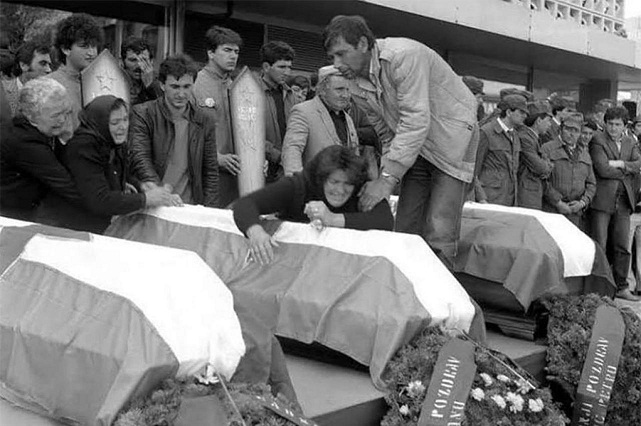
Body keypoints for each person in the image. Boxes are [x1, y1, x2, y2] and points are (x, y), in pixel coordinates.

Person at [323, 15, 478, 268]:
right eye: (332, 57)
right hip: (414, 146)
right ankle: (405, 286)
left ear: (363, 44)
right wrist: (386, 176)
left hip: (452, 143)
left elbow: (415, 120)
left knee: (439, 229)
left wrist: (386, 180)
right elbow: (385, 132)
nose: (337, 64)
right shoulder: (354, 80)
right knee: (406, 227)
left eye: (341, 54)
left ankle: (441, 290)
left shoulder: (404, 56)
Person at [233, 145, 394, 264]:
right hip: (295, 266)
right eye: (334, 182)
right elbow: (245, 204)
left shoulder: (362, 190)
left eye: (347, 184)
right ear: (321, 178)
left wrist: (333, 219)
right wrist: (255, 232)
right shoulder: (298, 186)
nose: (340, 190)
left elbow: (385, 221)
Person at [49, 95, 182, 233]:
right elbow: (99, 199)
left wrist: (142, 186)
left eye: (125, 119)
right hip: (72, 230)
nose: (123, 127)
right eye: (115, 122)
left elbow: (116, 173)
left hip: (100, 226)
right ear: (100, 123)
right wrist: (146, 199)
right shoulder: (83, 148)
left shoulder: (113, 142)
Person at [130, 54, 220, 208]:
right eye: (175, 87)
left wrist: (210, 211)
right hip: (153, 203)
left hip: (189, 207)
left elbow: (210, 171)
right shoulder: (143, 113)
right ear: (162, 85)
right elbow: (140, 159)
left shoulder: (204, 120)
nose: (181, 94)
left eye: (187, 87)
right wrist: (161, 195)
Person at [0, 78, 81, 223]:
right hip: (10, 215)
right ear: (31, 116)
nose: (62, 120)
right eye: (56, 115)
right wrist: (104, 200)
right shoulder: (25, 142)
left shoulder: (41, 129)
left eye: (66, 112)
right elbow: (67, 185)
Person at [590, 106, 641, 301]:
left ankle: (621, 286)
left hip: (624, 200)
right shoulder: (597, 139)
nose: (613, 128)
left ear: (624, 126)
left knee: (622, 246)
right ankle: (598, 287)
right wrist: (627, 169)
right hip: (602, 199)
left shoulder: (630, 141)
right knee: (600, 244)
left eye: (617, 124)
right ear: (605, 123)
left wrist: (619, 163)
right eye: (610, 123)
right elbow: (602, 169)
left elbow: (638, 164)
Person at [193, 25, 243, 207]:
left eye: (236, 52)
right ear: (211, 53)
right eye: (227, 50)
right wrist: (216, 157)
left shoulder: (239, 87)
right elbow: (185, 132)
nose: (233, 56)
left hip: (238, 178)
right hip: (206, 175)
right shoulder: (195, 84)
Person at [282, 65, 360, 176]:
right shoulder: (303, 111)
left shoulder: (347, 118)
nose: (346, 95)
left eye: (348, 90)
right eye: (339, 89)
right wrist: (297, 182)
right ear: (322, 90)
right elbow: (292, 150)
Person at [48, 13, 103, 131]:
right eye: (84, 46)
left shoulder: (101, 83)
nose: (91, 53)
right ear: (65, 49)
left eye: (94, 46)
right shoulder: (50, 85)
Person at [541, 112, 595, 230]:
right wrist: (558, 202)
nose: (572, 134)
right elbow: (542, 180)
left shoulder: (584, 154)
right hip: (551, 211)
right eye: (568, 129)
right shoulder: (547, 149)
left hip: (575, 213)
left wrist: (582, 203)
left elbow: (591, 184)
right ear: (561, 129)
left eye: (576, 131)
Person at [474, 94, 527, 206]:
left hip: (509, 200)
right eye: (521, 112)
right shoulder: (486, 132)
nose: (525, 116)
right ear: (508, 112)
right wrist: (481, 198)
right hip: (489, 199)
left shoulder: (515, 135)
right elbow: (474, 170)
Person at [259, 41, 299, 183]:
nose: (287, 72)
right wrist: (277, 156)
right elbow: (248, 134)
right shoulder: (251, 93)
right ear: (266, 67)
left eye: (289, 67)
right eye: (282, 67)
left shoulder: (291, 96)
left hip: (287, 169)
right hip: (261, 169)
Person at [517, 100, 553, 209]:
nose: (550, 125)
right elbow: (540, 167)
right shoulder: (525, 138)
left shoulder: (533, 138)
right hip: (526, 194)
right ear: (538, 121)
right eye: (548, 121)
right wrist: (548, 166)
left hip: (531, 192)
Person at [120, 36, 162, 105]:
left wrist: (151, 86)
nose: (139, 65)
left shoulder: (162, 82)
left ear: (151, 62)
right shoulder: (115, 82)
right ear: (122, 62)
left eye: (143, 60)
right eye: (133, 60)